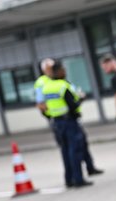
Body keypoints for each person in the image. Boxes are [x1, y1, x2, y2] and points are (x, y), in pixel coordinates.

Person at [36, 58, 103, 177]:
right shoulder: (44, 83)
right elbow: (41, 104)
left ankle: (88, 169)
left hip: (64, 119)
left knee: (78, 145)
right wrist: (50, 117)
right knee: (72, 148)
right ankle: (76, 177)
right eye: (50, 68)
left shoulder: (59, 82)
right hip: (65, 120)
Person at [41, 60, 91, 188]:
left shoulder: (46, 87)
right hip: (69, 122)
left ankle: (69, 179)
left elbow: (45, 107)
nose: (65, 72)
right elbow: (73, 105)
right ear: (58, 72)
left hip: (57, 122)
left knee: (65, 151)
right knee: (75, 150)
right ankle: (78, 179)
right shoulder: (63, 86)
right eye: (63, 70)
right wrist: (81, 99)